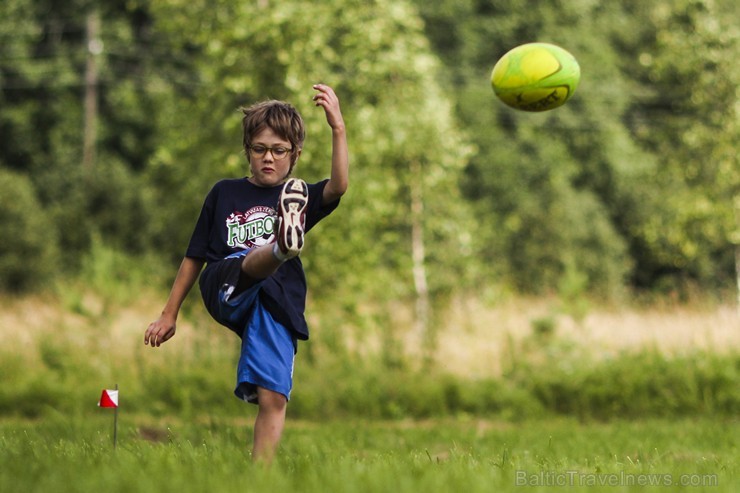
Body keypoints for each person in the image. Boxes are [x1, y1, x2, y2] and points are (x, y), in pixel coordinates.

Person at [144, 84, 348, 463]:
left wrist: (338, 128)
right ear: (247, 152)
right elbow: (193, 257)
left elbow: (338, 186)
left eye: (279, 150)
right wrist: (169, 313)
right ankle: (281, 247)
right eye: (259, 149)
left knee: (273, 395)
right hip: (225, 283)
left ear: (295, 154)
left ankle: (261, 479)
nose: (268, 158)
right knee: (251, 260)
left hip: (274, 298)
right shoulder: (224, 193)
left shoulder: (297, 194)